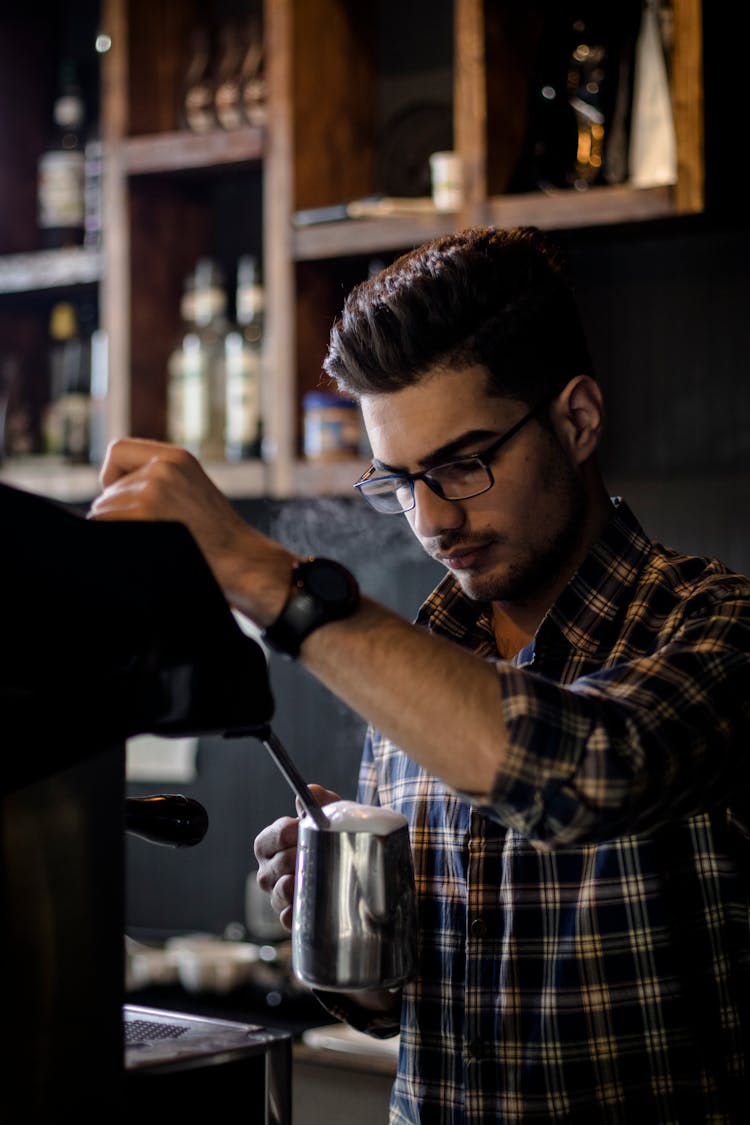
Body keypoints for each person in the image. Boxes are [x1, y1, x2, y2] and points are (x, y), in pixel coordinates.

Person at [89, 226, 750, 1123]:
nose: (432, 519)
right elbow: (416, 1014)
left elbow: (593, 770)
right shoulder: (425, 658)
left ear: (578, 419)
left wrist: (268, 580)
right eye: (399, 479)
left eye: (462, 463)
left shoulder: (716, 627)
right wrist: (350, 946)